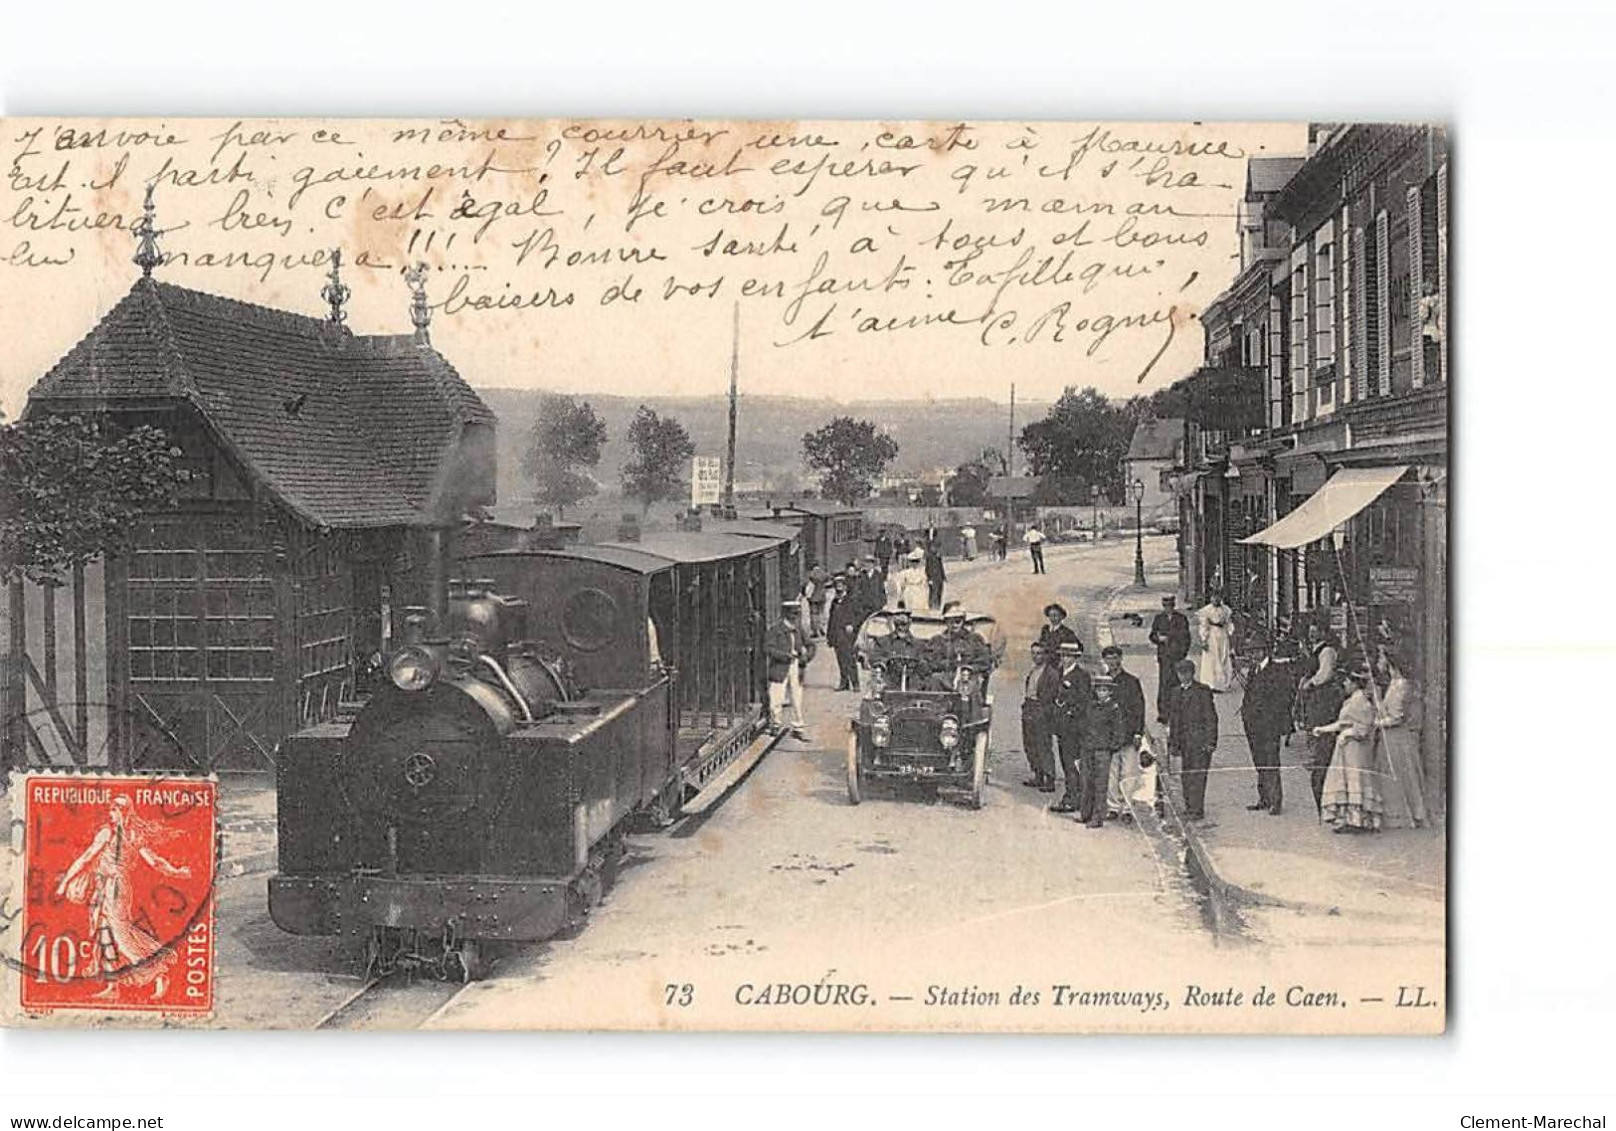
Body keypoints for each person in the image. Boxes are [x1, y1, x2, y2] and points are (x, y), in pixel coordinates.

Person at [54, 795, 192, 1002]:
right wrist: (177, 872)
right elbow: (154, 862)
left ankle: (159, 971)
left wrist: (65, 882)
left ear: (122, 811)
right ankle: (113, 985)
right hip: (103, 887)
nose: (111, 813)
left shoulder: (117, 834)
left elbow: (86, 859)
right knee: (104, 935)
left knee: (121, 936)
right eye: (111, 809)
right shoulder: (121, 833)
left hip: (115, 888)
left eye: (114, 809)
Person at [1314, 663, 1381, 833]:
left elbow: (1365, 727)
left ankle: (1357, 821)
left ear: (1354, 683)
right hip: (1347, 749)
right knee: (1346, 779)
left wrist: (1347, 734)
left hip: (1356, 749)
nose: (1344, 684)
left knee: (1355, 779)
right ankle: (1350, 819)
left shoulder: (1360, 702)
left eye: (1347, 681)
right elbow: (1344, 723)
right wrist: (1324, 729)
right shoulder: (1353, 700)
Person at [1239, 637, 1301, 815]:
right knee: (1259, 761)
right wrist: (1246, 714)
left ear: (1263, 651)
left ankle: (1275, 801)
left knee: (1271, 761)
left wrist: (1272, 718)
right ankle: (1264, 798)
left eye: (1255, 651)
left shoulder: (1277, 671)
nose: (1251, 655)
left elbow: (1284, 698)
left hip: (1269, 725)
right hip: (1253, 725)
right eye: (1250, 652)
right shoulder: (1254, 670)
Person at [1375, 646, 1428, 828]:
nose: (1378, 662)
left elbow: (1397, 717)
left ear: (1390, 662)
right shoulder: (1394, 683)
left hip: (1396, 738)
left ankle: (1399, 816)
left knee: (1397, 775)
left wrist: (1376, 723)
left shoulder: (1400, 685)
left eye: (1380, 658)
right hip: (1391, 738)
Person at [1166, 658, 1218, 820]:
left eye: (1186, 673)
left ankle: (1197, 809)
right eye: (1180, 673)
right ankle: (1189, 807)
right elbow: (1174, 720)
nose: (1183, 676)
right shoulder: (1175, 692)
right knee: (1186, 776)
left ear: (1192, 673)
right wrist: (1173, 743)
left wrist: (1211, 742)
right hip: (1184, 743)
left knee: (1198, 776)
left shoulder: (1202, 691)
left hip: (1200, 742)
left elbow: (1211, 718)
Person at [1100, 644, 1147, 821]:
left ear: (1121, 659)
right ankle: (1113, 806)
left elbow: (1139, 708)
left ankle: (1127, 809)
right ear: (1105, 661)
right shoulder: (1102, 682)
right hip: (1110, 736)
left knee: (1129, 774)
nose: (1112, 662)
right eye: (1109, 659)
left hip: (1128, 735)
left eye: (1115, 658)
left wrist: (1138, 732)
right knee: (1111, 774)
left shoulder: (1131, 682)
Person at [1301, 627, 1344, 812]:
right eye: (1310, 631)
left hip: (1323, 694)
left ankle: (1319, 756)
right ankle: (1315, 755)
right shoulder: (1315, 648)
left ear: (1324, 632)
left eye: (1315, 631)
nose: (1312, 634)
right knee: (1312, 721)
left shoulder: (1327, 651)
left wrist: (1311, 682)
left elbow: (1325, 674)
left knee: (1319, 722)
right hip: (1314, 694)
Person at [1048, 640, 1091, 814]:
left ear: (1075, 657)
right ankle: (1073, 795)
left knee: (1072, 764)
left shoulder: (1081, 676)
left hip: (1074, 728)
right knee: (1066, 764)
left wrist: (1070, 712)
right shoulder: (1058, 673)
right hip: (1061, 727)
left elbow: (1084, 701)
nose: (1065, 659)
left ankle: (1074, 798)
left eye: (1069, 656)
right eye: (1063, 655)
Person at [1080, 674, 1124, 827]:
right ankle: (1085, 813)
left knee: (1100, 785)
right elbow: (1084, 725)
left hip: (1103, 750)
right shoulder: (1091, 706)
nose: (1101, 693)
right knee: (1086, 782)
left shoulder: (1113, 709)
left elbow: (1118, 731)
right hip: (1088, 748)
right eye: (1099, 690)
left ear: (1110, 692)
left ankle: (1097, 817)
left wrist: (1111, 747)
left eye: (1104, 690)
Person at [923, 601, 994, 693]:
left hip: (969, 678)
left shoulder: (975, 639)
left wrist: (969, 668)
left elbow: (985, 662)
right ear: (946, 621)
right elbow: (930, 662)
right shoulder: (937, 640)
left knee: (973, 686)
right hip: (944, 678)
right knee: (934, 680)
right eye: (951, 620)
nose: (955, 624)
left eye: (958, 620)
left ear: (963, 620)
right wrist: (948, 664)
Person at [764, 599, 809, 739]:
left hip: (796, 666)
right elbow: (768, 648)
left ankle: (798, 726)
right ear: (786, 614)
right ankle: (776, 724)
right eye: (793, 614)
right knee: (777, 696)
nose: (795, 617)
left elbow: (811, 645)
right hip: (780, 667)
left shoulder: (798, 630)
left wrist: (805, 657)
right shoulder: (775, 630)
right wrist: (785, 656)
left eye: (796, 614)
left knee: (797, 697)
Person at [1020, 642, 1060, 792]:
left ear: (1046, 655)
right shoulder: (1033, 671)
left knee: (1043, 745)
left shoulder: (1051, 673)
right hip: (1029, 707)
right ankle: (1038, 774)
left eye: (1039, 653)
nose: (1036, 656)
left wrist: (1044, 712)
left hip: (1042, 710)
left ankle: (1049, 778)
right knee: (1030, 744)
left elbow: (1051, 696)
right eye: (1034, 653)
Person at [1148, 595, 1192, 723]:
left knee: (1178, 684)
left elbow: (1186, 638)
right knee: (1164, 685)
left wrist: (1183, 653)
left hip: (1177, 656)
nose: (1168, 609)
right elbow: (1152, 635)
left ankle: (1178, 713)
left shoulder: (1181, 619)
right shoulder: (1159, 619)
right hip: (1164, 657)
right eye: (1165, 606)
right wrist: (1158, 639)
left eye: (1170, 606)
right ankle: (1164, 713)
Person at [867, 606, 932, 689]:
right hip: (889, 679)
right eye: (898, 624)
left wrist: (919, 665)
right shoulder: (882, 642)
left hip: (913, 682)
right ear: (893, 623)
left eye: (904, 624)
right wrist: (883, 664)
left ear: (910, 622)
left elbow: (926, 662)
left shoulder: (919, 645)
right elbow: (875, 658)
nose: (901, 627)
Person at [826, 575, 862, 692]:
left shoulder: (851, 601)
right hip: (837, 635)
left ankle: (855, 683)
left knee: (850, 659)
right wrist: (829, 636)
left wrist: (852, 624)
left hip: (847, 635)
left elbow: (858, 616)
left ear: (845, 587)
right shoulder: (834, 602)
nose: (839, 588)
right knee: (840, 660)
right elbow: (831, 619)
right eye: (837, 586)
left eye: (841, 585)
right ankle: (844, 682)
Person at [1196, 589, 1235, 692]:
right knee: (1212, 659)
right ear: (1210, 598)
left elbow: (1229, 623)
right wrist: (1204, 639)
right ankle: (1211, 683)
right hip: (1212, 636)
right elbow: (1204, 625)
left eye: (1218, 597)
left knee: (1223, 657)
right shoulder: (1207, 611)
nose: (1216, 600)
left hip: (1222, 635)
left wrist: (1230, 632)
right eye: (1214, 597)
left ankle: (1223, 683)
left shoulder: (1225, 610)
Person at [892, 547, 930, 612]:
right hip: (909, 591)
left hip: (919, 591)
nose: (914, 564)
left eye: (916, 562)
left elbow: (924, 584)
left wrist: (924, 593)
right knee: (909, 608)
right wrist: (901, 593)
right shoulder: (905, 573)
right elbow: (900, 584)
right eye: (912, 562)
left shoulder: (922, 572)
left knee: (920, 607)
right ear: (909, 562)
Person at [804, 562, 830, 639]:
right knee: (821, 613)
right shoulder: (823, 573)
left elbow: (806, 585)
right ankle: (821, 628)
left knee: (813, 614)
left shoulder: (811, 574)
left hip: (813, 597)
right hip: (822, 596)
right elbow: (828, 580)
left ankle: (815, 631)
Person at [924, 540, 947, 610]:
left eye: (936, 547)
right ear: (931, 547)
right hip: (933, 578)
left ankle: (938, 605)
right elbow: (927, 569)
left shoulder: (938, 556)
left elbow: (941, 567)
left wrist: (943, 576)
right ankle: (932, 606)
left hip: (939, 577)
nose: (935, 549)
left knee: (939, 592)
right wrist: (929, 578)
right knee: (933, 592)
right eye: (934, 547)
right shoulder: (929, 557)